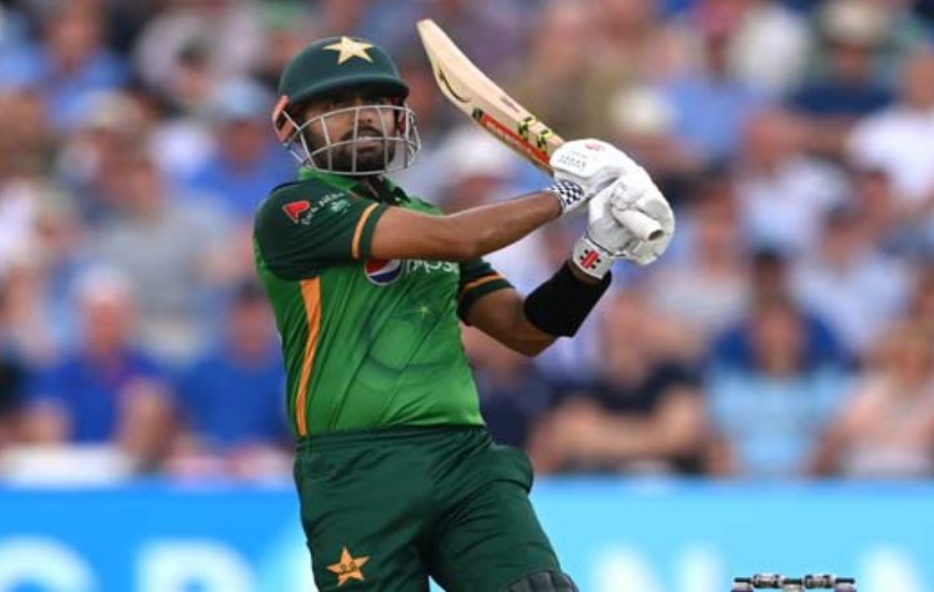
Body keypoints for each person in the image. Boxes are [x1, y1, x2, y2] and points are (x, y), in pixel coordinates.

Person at [254, 36, 674, 591]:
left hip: (464, 459)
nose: (363, 117)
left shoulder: (426, 216)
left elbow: (526, 331)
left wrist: (595, 252)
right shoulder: (292, 211)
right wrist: (568, 193)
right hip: (355, 469)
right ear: (292, 124)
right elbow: (455, 239)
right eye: (337, 105)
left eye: (375, 102)